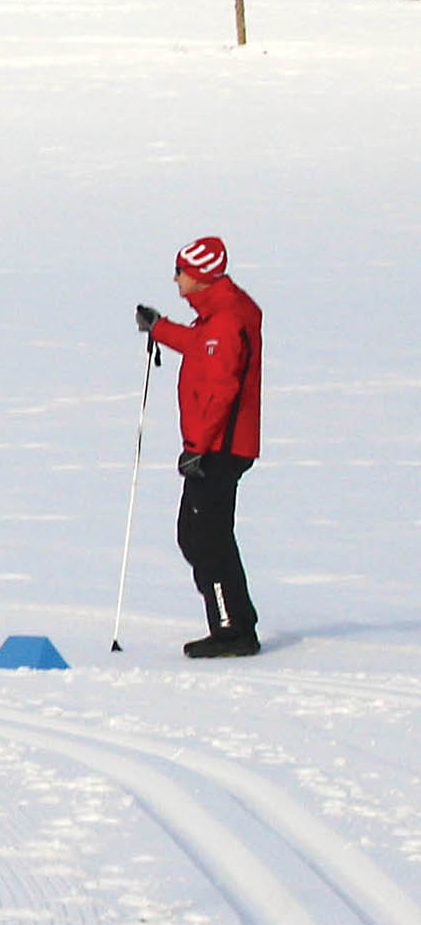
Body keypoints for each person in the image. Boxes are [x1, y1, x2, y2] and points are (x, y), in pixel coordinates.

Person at [140, 235, 263, 658]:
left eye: (181, 271)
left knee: (202, 536)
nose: (176, 278)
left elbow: (221, 390)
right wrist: (159, 328)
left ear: (200, 274)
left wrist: (198, 446)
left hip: (219, 448)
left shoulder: (226, 319)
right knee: (200, 533)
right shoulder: (218, 314)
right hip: (218, 444)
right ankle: (234, 624)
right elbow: (200, 347)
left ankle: (234, 631)